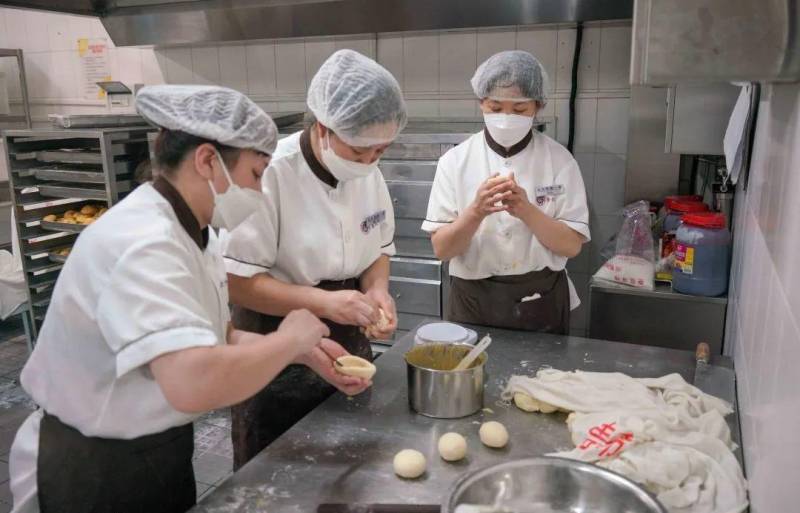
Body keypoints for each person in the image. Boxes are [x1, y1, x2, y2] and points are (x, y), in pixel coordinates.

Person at [8, 85, 369, 513]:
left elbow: (218, 337)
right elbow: (192, 383)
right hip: (94, 466)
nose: (260, 190)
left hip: (156, 450)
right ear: (206, 161)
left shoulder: (195, 234)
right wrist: (287, 339)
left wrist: (306, 354)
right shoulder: (143, 243)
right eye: (256, 174)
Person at [223, 49, 407, 469]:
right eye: (360, 151)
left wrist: (377, 290)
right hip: (273, 341)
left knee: (348, 465)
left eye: (380, 151)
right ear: (324, 128)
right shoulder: (269, 173)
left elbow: (377, 248)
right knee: (274, 470)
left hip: (347, 335)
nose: (369, 162)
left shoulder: (368, 173)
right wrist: (322, 303)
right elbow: (237, 281)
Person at [421, 50, 590, 334]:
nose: (506, 117)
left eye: (520, 109)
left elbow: (571, 247)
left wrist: (526, 210)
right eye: (495, 108)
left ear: (538, 106)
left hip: (541, 298)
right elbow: (442, 249)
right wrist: (476, 211)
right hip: (473, 300)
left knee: (545, 378)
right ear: (480, 103)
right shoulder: (455, 161)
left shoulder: (559, 160)